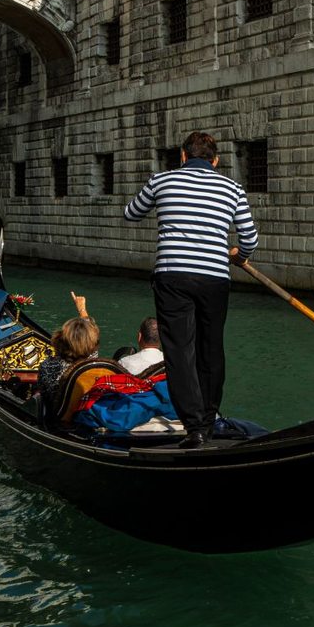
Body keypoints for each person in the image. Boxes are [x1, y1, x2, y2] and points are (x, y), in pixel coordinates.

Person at [124, 131, 258, 449]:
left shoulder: (162, 181)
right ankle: (208, 421)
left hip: (173, 277)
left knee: (180, 352)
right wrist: (240, 255)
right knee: (211, 349)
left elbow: (131, 213)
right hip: (215, 278)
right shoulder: (233, 188)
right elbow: (250, 238)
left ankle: (195, 427)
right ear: (216, 160)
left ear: (183, 157)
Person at [37, 292, 105, 415]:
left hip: (58, 419)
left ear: (61, 339)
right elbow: (92, 334)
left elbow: (44, 396)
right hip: (88, 416)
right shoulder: (93, 362)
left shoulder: (48, 366)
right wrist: (82, 309)